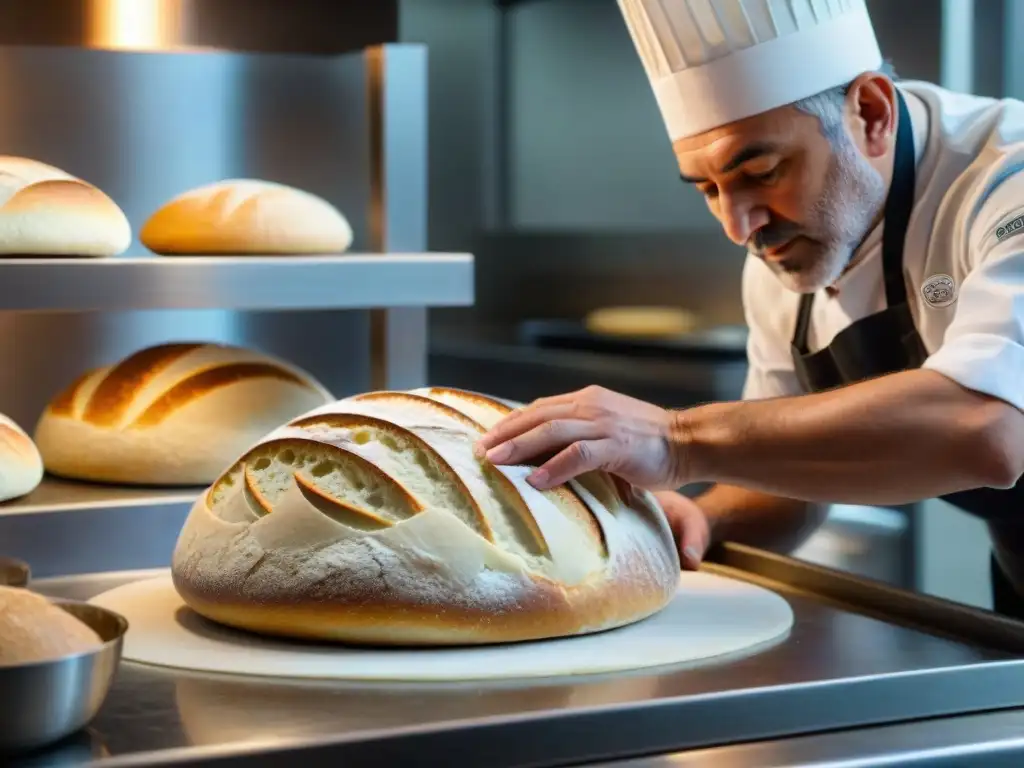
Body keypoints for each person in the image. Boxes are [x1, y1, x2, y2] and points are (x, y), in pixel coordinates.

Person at [473, 0, 1024, 618]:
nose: (739, 226)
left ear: (871, 113)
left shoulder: (1008, 176)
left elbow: (990, 429)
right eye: (708, 189)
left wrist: (678, 440)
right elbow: (791, 483)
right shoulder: (787, 250)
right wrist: (700, 520)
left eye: (761, 171)